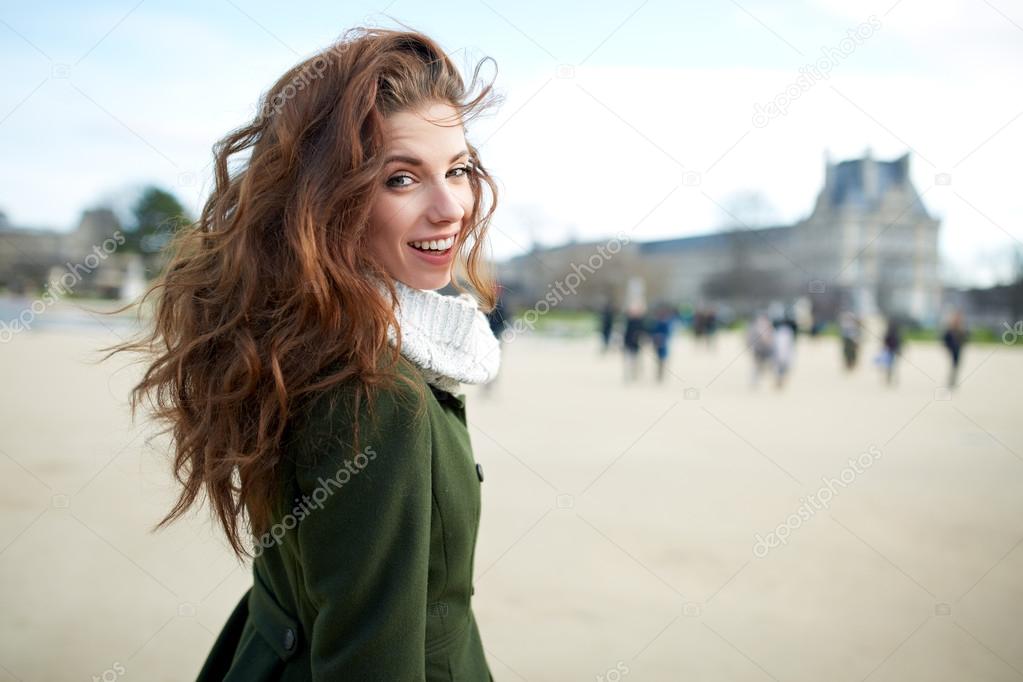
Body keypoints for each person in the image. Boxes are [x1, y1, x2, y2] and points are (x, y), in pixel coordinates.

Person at [102, 27, 501, 680]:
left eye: (457, 169)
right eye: (401, 179)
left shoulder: (293, 334)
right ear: (324, 199)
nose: (451, 206)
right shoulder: (376, 392)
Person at [942, 309, 969, 389]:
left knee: (956, 366)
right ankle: (951, 381)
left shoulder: (962, 329)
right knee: (953, 365)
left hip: (958, 349)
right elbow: (945, 339)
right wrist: (947, 348)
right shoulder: (950, 329)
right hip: (952, 349)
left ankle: (953, 381)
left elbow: (965, 339)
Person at [747, 312, 774, 388]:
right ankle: (755, 382)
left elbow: (771, 339)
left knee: (767, 366)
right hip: (758, 350)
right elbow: (749, 339)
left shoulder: (769, 327)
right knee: (757, 366)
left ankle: (769, 381)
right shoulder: (754, 328)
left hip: (766, 350)